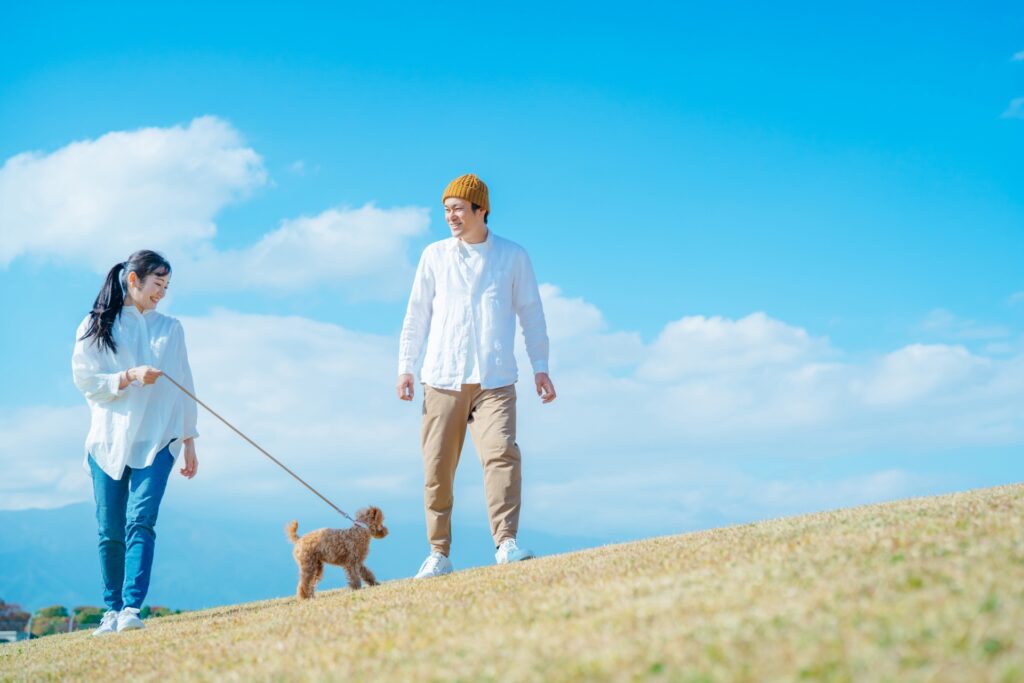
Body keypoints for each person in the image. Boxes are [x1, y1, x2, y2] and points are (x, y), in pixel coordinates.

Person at [397, 173, 556, 579]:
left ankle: (506, 543)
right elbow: (417, 314)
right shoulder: (434, 255)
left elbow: (532, 314)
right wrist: (406, 367)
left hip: (496, 378)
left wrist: (541, 367)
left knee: (502, 454)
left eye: (458, 209)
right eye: (446, 209)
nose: (450, 216)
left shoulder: (513, 256)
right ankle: (438, 553)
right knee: (437, 468)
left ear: (481, 210)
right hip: (442, 377)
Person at [71, 249, 199, 635]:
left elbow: (186, 385)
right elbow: (86, 381)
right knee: (110, 529)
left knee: (141, 521)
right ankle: (110, 610)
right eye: (157, 284)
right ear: (133, 280)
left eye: (166, 286)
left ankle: (130, 608)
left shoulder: (171, 328)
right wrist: (128, 376)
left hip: (159, 439)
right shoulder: (96, 326)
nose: (162, 292)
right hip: (108, 441)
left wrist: (190, 440)